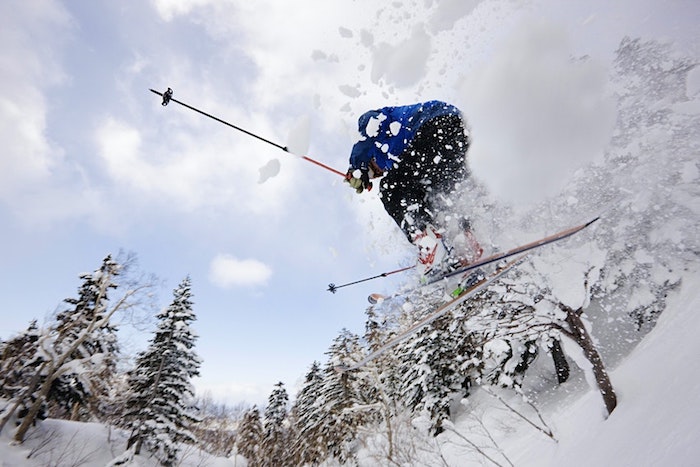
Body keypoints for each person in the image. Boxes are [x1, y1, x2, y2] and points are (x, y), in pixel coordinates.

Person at [346, 100, 483, 277]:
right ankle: (467, 243)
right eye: (376, 174)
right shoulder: (394, 155)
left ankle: (426, 242)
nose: (379, 173)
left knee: (391, 188)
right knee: (442, 195)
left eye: (374, 169)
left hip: (435, 125)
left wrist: (357, 166)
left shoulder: (371, 126)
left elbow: (369, 129)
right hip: (460, 135)